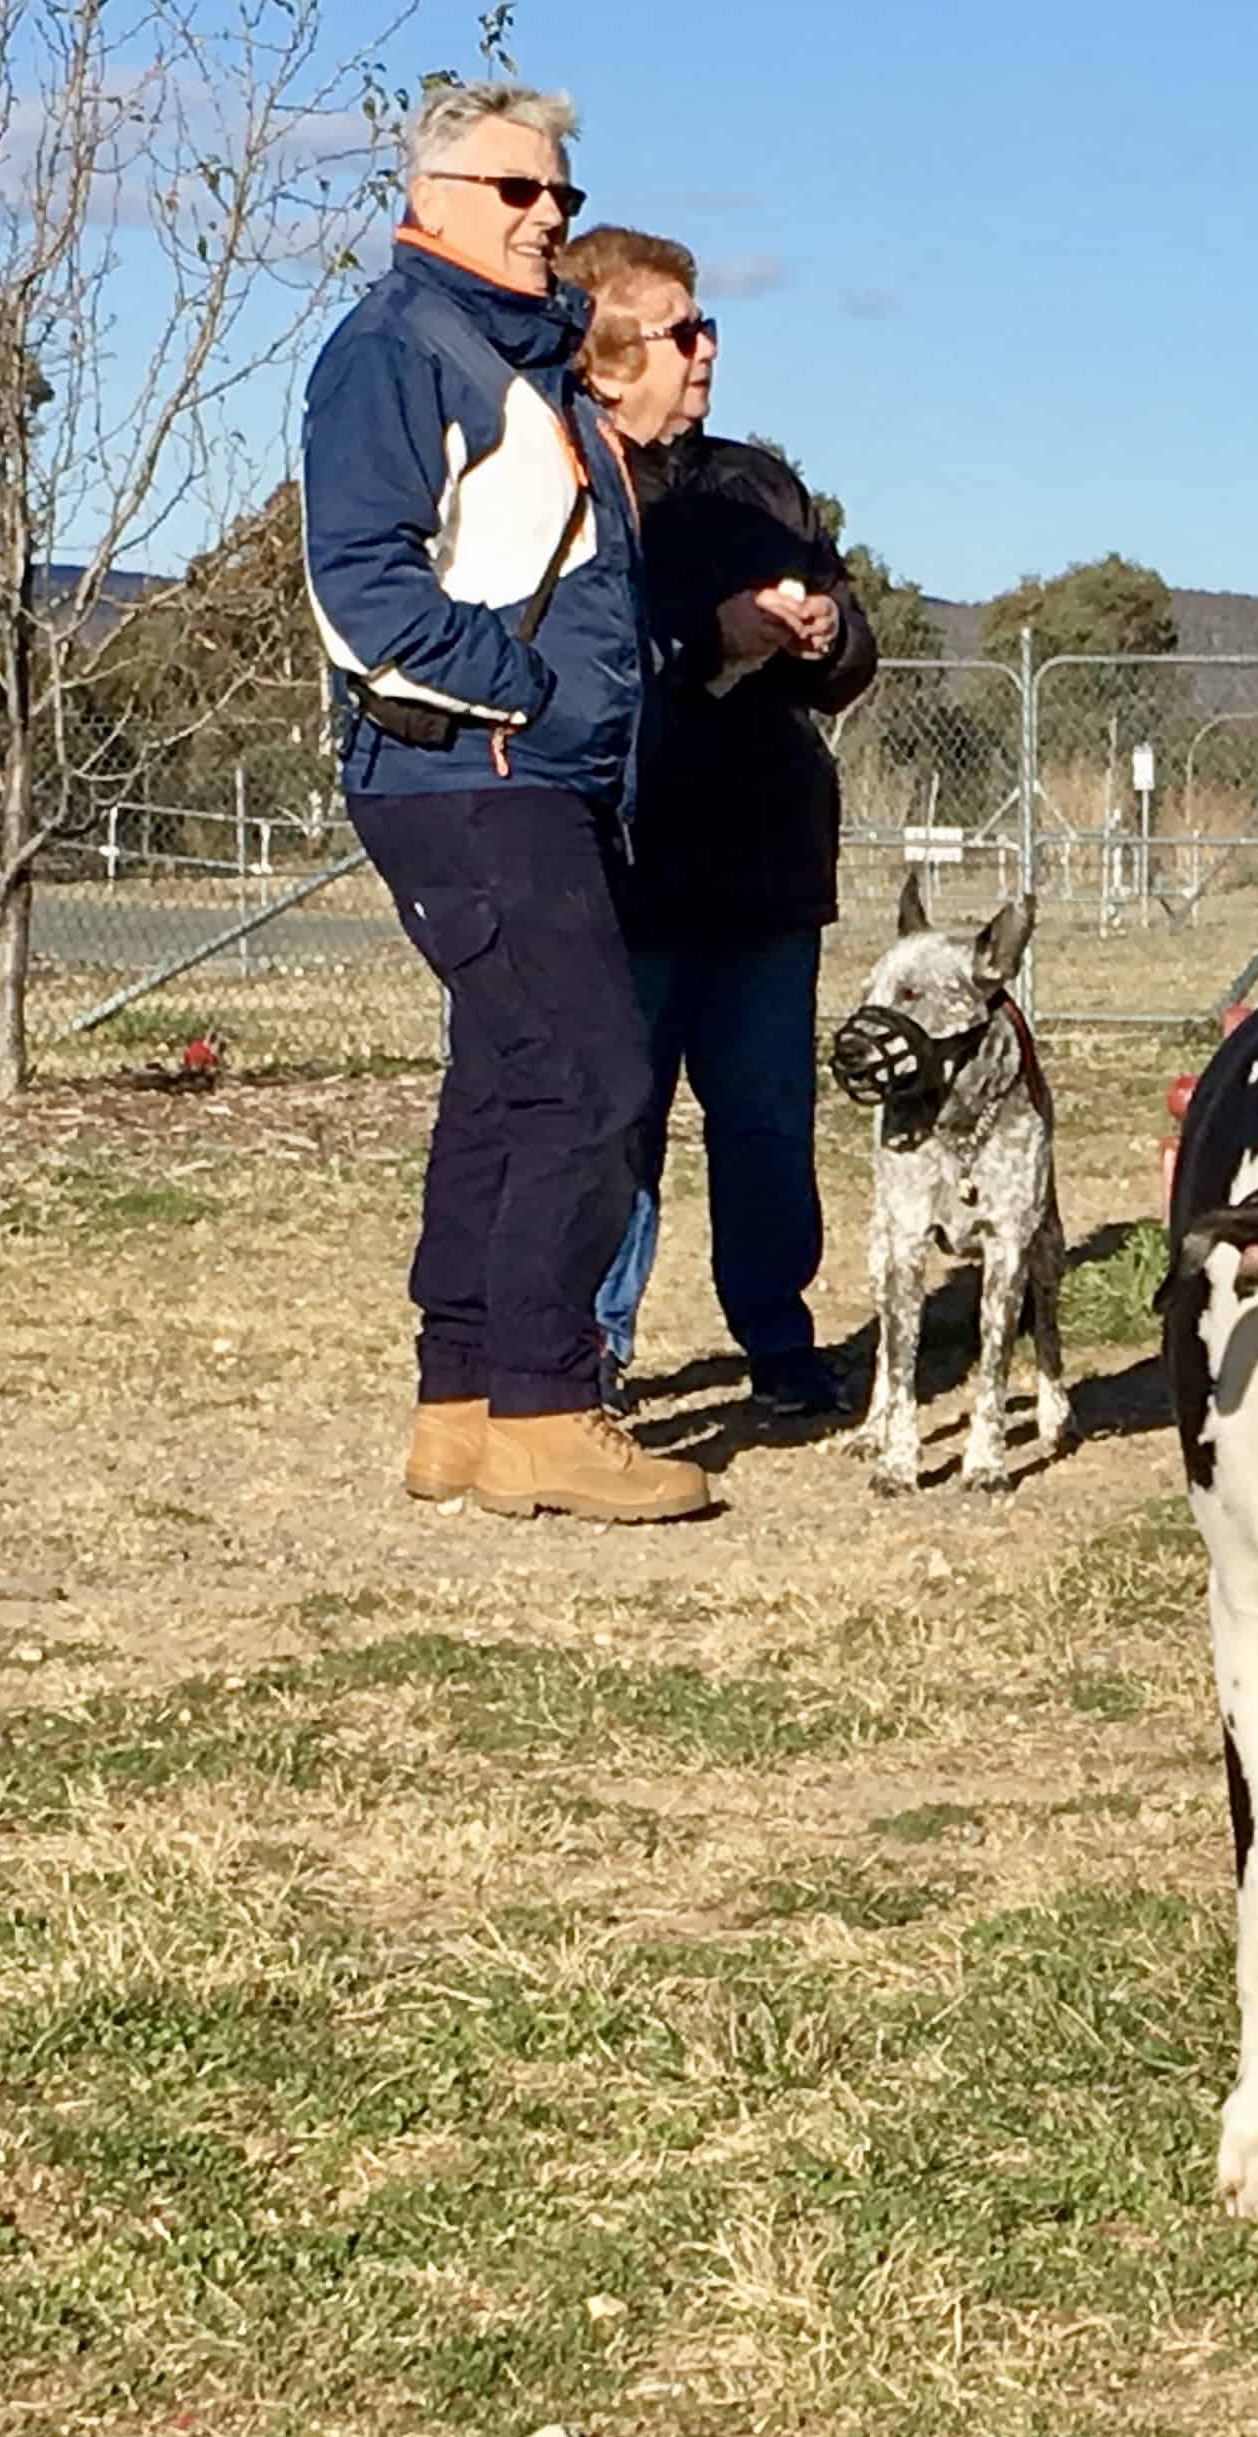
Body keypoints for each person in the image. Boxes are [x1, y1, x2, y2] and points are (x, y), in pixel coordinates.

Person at [301, 83, 711, 1522]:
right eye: (519, 190)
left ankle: (463, 1404)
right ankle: (545, 1404)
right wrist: (521, 692)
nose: (549, 217)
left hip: (533, 779)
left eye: (562, 195)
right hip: (473, 776)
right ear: (433, 197)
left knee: (501, 1080)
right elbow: (362, 584)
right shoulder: (397, 347)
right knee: (591, 1078)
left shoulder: (517, 356)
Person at [555, 229, 872, 1420]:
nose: (707, 351)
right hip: (629, 873)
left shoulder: (762, 485)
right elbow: (586, 659)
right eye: (682, 330)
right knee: (615, 1125)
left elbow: (853, 649)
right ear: (602, 351)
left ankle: (778, 1334)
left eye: (710, 327)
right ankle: (592, 1344)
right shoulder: (573, 483)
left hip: (766, 870)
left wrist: (826, 636)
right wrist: (709, 641)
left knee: (768, 1123)